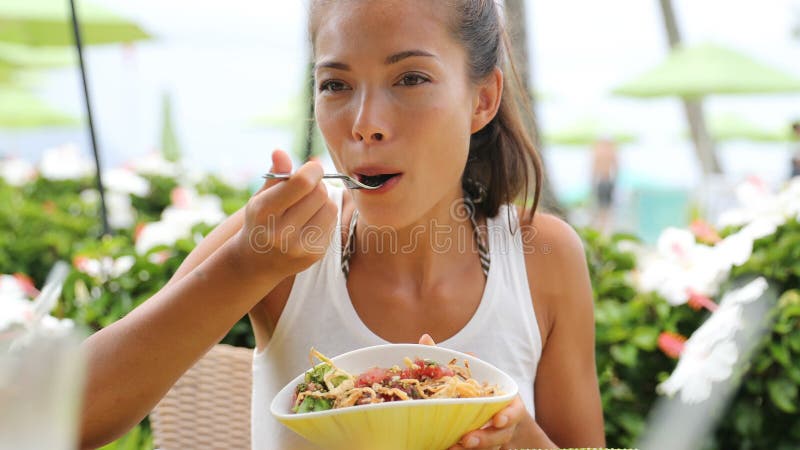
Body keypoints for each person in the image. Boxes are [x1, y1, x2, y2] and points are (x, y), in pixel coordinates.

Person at [78, 1, 605, 449]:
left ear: (483, 99)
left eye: (411, 78)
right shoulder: (275, 248)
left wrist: (516, 436)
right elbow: (65, 420)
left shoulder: (544, 257)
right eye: (336, 84)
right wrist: (244, 266)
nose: (365, 124)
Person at [590, 137, 619, 234]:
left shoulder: (598, 152)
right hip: (607, 180)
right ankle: (604, 229)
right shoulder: (611, 152)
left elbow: (593, 169)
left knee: (601, 207)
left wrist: (593, 182)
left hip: (601, 181)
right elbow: (616, 167)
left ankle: (601, 229)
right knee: (606, 208)